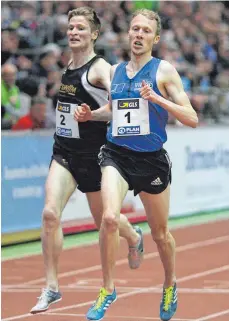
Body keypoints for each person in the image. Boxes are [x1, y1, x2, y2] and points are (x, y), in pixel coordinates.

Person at [74, 8, 198, 321]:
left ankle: (170, 282)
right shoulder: (115, 71)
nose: (138, 35)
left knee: (160, 235)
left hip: (151, 161)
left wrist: (158, 99)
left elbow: (192, 118)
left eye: (145, 31)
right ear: (128, 34)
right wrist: (93, 115)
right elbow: (115, 110)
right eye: (134, 29)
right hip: (116, 154)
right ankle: (107, 288)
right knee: (110, 218)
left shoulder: (164, 71)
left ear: (155, 38)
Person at [30, 7, 144, 315]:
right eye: (70, 27)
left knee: (105, 221)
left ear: (93, 34)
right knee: (50, 214)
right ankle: (52, 287)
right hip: (64, 151)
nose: (73, 32)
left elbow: (120, 105)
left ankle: (133, 235)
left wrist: (91, 115)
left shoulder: (100, 68)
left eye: (80, 28)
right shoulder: (68, 65)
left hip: (94, 156)